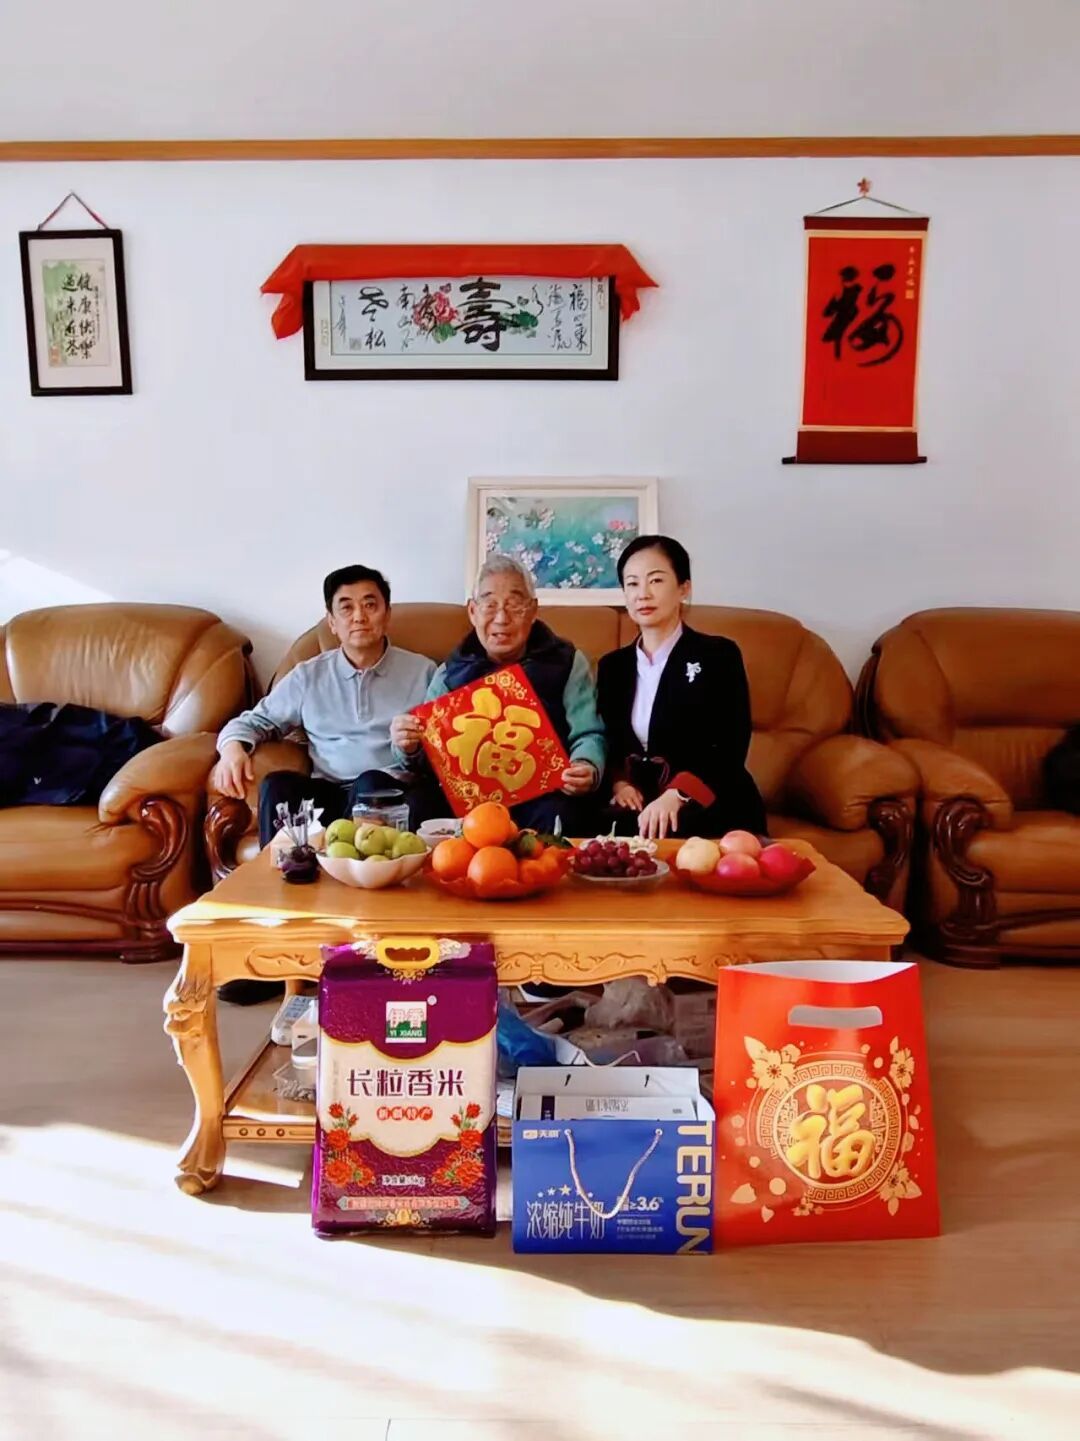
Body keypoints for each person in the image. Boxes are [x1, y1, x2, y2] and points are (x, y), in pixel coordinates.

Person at [211, 564, 435, 1002]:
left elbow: (442, 752)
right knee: (278, 786)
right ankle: (277, 953)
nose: (359, 616)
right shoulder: (308, 676)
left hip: (388, 792)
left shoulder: (423, 672)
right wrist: (232, 748)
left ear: (387, 614)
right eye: (346, 608)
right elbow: (253, 720)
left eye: (370, 604)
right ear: (332, 622)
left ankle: (366, 952)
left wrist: (411, 748)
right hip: (328, 790)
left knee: (371, 782)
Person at [391, 555, 605, 834]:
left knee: (565, 815)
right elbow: (426, 753)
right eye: (489, 605)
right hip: (470, 804)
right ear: (472, 612)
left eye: (514, 605)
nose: (502, 618)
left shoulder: (567, 662)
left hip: (543, 795)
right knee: (417, 805)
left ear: (533, 611)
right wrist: (408, 745)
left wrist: (585, 765)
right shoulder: (450, 673)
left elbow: (588, 733)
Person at [597, 534, 766, 841]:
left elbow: (731, 744)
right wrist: (620, 784)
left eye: (656, 580)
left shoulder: (719, 655)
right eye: (632, 584)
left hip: (708, 794)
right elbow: (608, 741)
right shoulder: (613, 667)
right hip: (640, 800)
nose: (643, 594)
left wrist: (679, 793)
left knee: (685, 831)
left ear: (683, 588)